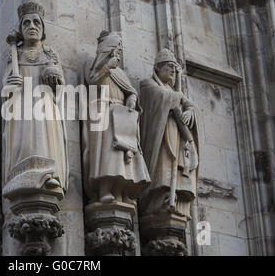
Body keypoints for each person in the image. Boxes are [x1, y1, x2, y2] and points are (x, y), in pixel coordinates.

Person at [2, 2, 69, 195]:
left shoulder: (50, 54)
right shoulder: (14, 55)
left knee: (45, 140)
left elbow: (61, 87)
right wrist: (10, 82)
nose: (32, 27)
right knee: (24, 142)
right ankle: (21, 173)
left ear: (43, 29)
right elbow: (6, 88)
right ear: (21, 30)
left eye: (36, 23)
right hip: (21, 105)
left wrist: (54, 76)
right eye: (27, 23)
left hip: (45, 104)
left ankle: (49, 175)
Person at [83, 31, 150, 204]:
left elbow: (130, 91)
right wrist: (107, 67)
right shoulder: (93, 64)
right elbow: (92, 81)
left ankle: (121, 192)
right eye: (117, 46)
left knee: (123, 157)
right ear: (108, 48)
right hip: (104, 114)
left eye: (120, 47)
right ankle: (105, 189)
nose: (119, 50)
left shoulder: (120, 72)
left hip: (121, 115)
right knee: (107, 155)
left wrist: (132, 99)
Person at [139, 48, 199, 219]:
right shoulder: (148, 84)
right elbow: (166, 97)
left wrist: (189, 111)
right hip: (161, 137)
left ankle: (177, 199)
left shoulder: (172, 90)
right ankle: (159, 198)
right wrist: (178, 93)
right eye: (168, 68)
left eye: (174, 69)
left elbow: (187, 104)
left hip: (176, 135)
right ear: (157, 69)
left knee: (178, 168)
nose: (172, 71)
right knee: (163, 170)